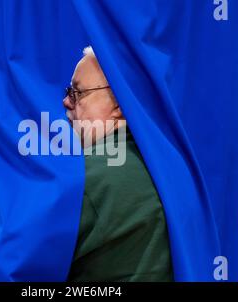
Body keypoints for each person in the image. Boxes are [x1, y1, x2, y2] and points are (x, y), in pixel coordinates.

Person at [63, 47, 174, 282]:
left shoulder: (84, 179)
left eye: (77, 92)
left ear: (120, 104)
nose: (66, 102)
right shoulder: (173, 168)